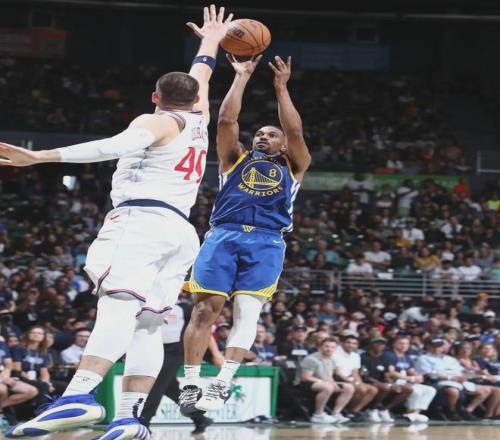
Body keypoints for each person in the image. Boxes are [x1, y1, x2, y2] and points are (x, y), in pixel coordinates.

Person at [1, 6, 232, 438]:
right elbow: (201, 74)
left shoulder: (156, 120)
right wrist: (211, 41)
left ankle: (78, 395)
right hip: (181, 232)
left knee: (118, 305)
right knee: (148, 324)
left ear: (154, 97)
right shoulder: (198, 117)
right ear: (195, 98)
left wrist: (39, 156)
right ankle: (130, 417)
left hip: (141, 222)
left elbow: (112, 146)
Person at [180, 51, 311, 415]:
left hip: (267, 241)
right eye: (259, 134)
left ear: (282, 145)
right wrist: (241, 76)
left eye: (271, 134)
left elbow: (295, 131)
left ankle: (223, 382)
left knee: (247, 311)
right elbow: (226, 120)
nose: (263, 137)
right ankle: (190, 384)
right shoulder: (234, 158)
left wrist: (281, 87)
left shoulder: (295, 164)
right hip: (224, 235)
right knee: (204, 311)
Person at [140, 299, 214, 435]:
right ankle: (200, 418)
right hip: (154, 349)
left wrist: (215, 353)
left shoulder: (186, 307)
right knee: (170, 389)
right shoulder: (150, 302)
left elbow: (203, 328)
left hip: (174, 352)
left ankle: (144, 422)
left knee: (156, 386)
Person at [382, 335, 436, 422]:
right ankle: (409, 412)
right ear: (394, 344)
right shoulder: (389, 355)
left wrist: (418, 376)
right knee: (416, 391)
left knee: (430, 390)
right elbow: (391, 372)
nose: (404, 346)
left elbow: (411, 370)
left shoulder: (406, 357)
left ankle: (416, 413)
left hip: (406, 381)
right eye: (401, 343)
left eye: (406, 344)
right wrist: (409, 378)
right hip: (394, 381)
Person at [299, 338, 353, 424]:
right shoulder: (311, 359)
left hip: (324, 382)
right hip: (306, 383)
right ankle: (318, 415)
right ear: (321, 347)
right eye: (327, 346)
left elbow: (331, 375)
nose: (329, 349)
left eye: (332, 347)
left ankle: (336, 413)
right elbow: (305, 377)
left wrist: (334, 382)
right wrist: (324, 382)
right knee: (328, 387)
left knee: (349, 387)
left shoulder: (333, 359)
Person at [361, 337, 412, 423]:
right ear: (371, 345)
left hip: (382, 382)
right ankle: (372, 409)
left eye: (382, 344)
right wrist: (382, 383)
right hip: (368, 381)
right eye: (377, 343)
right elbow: (364, 376)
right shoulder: (363, 357)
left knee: (407, 389)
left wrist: (391, 383)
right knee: (385, 387)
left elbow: (387, 374)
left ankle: (384, 410)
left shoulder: (384, 358)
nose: (380, 345)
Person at [332, 335, 378, 422]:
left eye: (354, 343)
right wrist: (353, 383)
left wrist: (359, 383)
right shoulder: (335, 354)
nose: (351, 345)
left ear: (357, 345)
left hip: (350, 379)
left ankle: (354, 411)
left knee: (373, 390)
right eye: (348, 342)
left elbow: (355, 372)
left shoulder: (356, 356)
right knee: (361, 389)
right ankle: (346, 410)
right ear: (342, 343)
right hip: (338, 379)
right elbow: (337, 373)